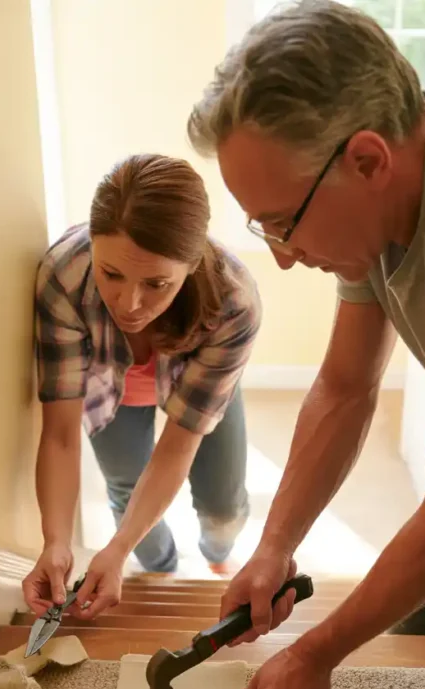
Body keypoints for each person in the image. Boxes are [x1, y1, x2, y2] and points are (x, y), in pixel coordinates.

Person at [186, 0, 425, 689]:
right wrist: (274, 547)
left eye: (282, 224)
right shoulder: (377, 197)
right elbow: (343, 389)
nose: (277, 257)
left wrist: (314, 653)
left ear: (368, 160)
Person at [22, 153, 260, 622]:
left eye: (156, 283)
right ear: (92, 245)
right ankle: (164, 573)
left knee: (222, 505)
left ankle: (216, 553)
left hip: (196, 388)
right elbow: (60, 435)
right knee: (126, 490)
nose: (129, 304)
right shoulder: (63, 276)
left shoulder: (236, 303)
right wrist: (60, 543)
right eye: (111, 275)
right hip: (109, 390)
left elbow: (178, 446)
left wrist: (120, 543)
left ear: (192, 265)